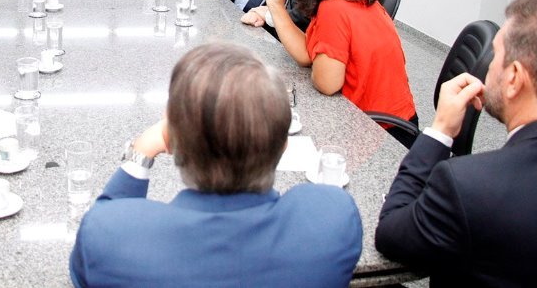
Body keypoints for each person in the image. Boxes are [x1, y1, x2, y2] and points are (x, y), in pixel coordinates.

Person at [70, 43, 363, 287]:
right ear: (284, 145)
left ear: (169, 140)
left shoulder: (107, 236)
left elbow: (110, 217)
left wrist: (141, 152)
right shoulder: (332, 219)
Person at [376, 0, 537, 287]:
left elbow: (390, 234)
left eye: (495, 55)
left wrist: (439, 129)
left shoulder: (468, 185)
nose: (489, 68)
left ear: (514, 78)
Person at [265, 0, 416, 128]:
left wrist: (319, 66)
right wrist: (276, 7)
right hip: (398, 117)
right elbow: (307, 55)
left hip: (382, 129)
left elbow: (327, 83)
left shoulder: (333, 9)